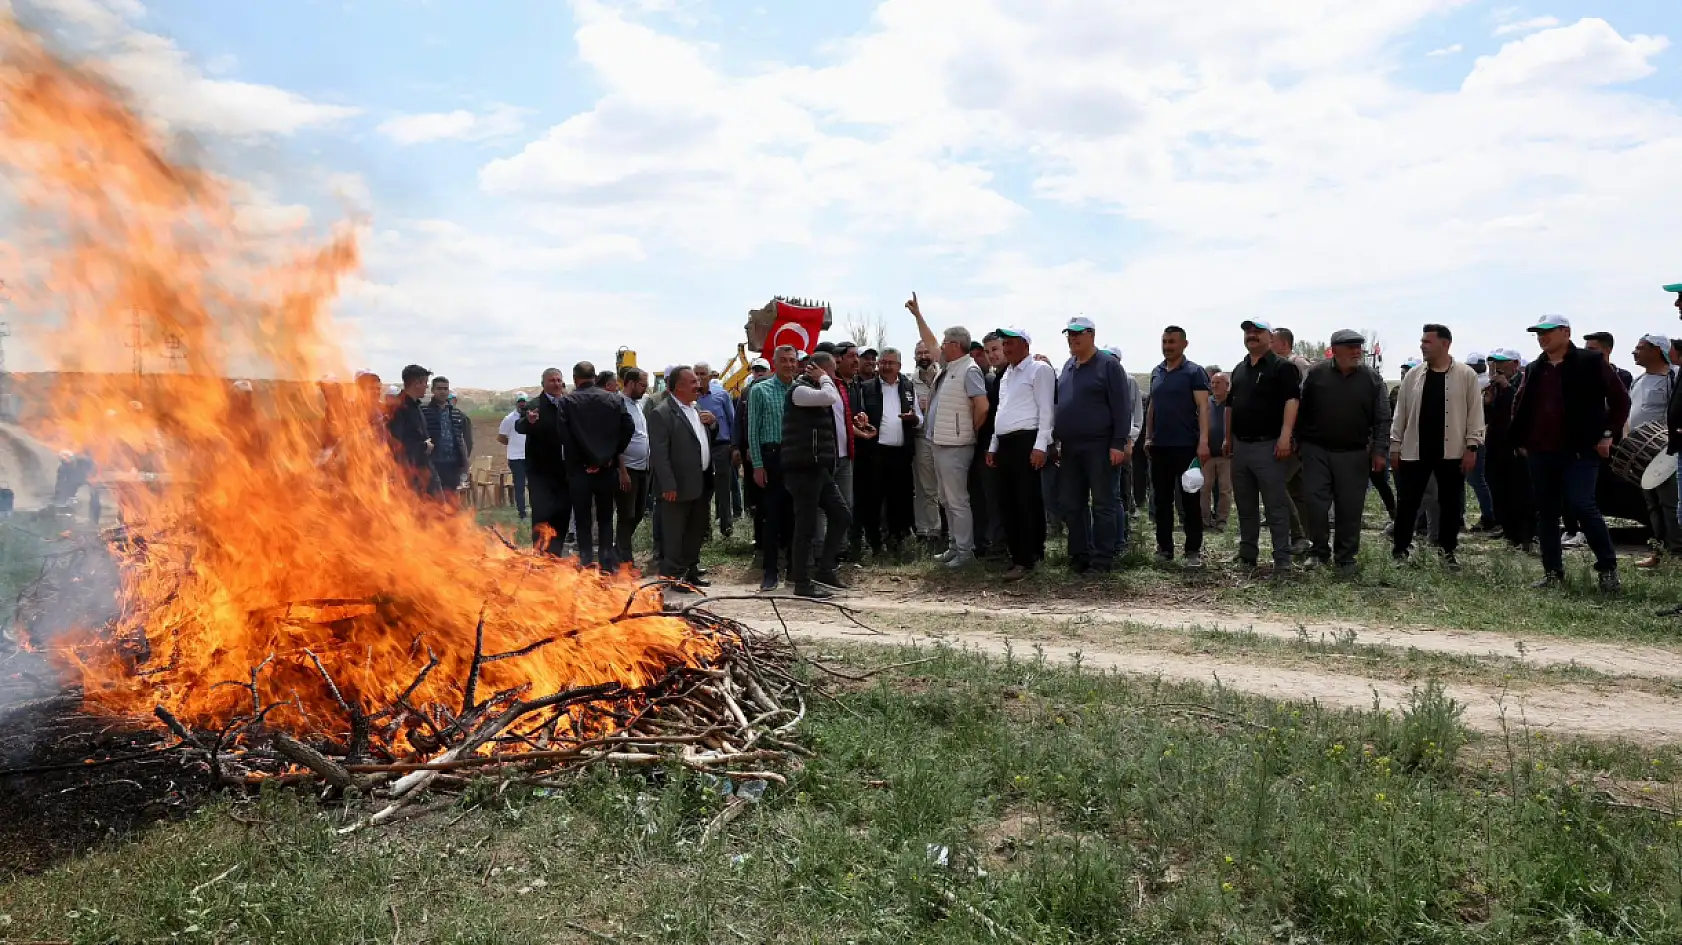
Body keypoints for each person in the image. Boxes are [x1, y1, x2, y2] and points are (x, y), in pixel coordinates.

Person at [1512, 316, 1630, 592]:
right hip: (1541, 451)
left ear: (1566, 332)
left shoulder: (1590, 362)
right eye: (1538, 333)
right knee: (1547, 512)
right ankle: (1553, 573)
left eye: (1548, 332)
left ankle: (1608, 570)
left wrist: (1607, 434)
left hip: (1579, 451)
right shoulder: (1535, 368)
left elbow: (1620, 399)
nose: (1542, 337)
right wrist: (1520, 438)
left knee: (1582, 506)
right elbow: (1521, 404)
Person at [1297, 330, 1392, 575]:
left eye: (1359, 347)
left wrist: (1380, 451)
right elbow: (1301, 409)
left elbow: (1382, 418)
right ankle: (1318, 552)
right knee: (1315, 504)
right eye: (1350, 347)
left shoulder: (1371, 378)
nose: (1357, 351)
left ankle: (1346, 558)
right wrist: (1299, 443)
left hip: (1354, 453)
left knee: (1350, 507)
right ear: (1335, 350)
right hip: (1316, 451)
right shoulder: (1316, 374)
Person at [1390, 324, 1483, 568]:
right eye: (1422, 341)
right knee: (1408, 502)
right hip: (1415, 450)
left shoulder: (1466, 375)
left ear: (1445, 344)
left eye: (1427, 342)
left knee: (1451, 505)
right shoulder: (1413, 376)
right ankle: (1400, 551)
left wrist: (1472, 446)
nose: (1422, 346)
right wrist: (1395, 445)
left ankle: (1447, 552)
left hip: (1452, 452)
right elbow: (1401, 413)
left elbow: (1475, 414)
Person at [907, 293, 989, 568]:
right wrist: (918, 316)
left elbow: (982, 406)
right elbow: (930, 342)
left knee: (957, 500)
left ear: (955, 345)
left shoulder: (969, 370)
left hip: (956, 445)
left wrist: (967, 431)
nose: (939, 346)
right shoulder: (950, 366)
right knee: (945, 498)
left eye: (944, 342)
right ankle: (954, 547)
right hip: (940, 443)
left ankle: (965, 552)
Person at [1055, 318, 1132, 574]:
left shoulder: (1108, 365)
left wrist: (1118, 443)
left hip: (1100, 446)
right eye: (1069, 334)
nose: (1073, 338)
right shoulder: (1068, 366)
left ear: (1092, 335)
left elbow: (1122, 407)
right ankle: (1080, 554)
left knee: (1103, 503)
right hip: (1070, 448)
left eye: (1078, 333)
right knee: (1072, 503)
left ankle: (1103, 558)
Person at [1224, 320, 1301, 575]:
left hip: (1269, 445)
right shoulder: (1239, 369)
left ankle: (1282, 559)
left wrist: (1285, 436)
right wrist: (1227, 438)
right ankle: (1248, 554)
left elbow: (1292, 401)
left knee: (1275, 506)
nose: (1252, 335)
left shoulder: (1282, 367)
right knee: (1245, 506)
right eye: (1248, 332)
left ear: (1270, 337)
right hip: (1241, 447)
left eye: (1257, 331)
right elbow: (1230, 406)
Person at [782, 351, 856, 599]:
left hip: (818, 468)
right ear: (818, 370)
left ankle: (825, 569)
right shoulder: (799, 391)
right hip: (802, 469)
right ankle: (802, 582)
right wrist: (824, 378)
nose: (833, 376)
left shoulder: (815, 390)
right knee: (806, 528)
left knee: (842, 516)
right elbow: (830, 397)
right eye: (831, 370)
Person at [985, 327, 1056, 580]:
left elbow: (1046, 409)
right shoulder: (1007, 374)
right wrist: (993, 445)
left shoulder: (1038, 369)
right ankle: (1019, 554)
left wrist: (1041, 445)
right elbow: (1001, 411)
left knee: (1026, 501)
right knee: (1008, 501)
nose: (1006, 348)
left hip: (1026, 440)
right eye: (1004, 344)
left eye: (1010, 343)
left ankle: (1027, 558)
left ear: (1025, 344)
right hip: (1005, 442)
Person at [1145, 325, 1212, 567]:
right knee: (1161, 501)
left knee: (1190, 500)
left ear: (1184, 344)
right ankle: (1164, 549)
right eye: (1164, 342)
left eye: (1172, 342)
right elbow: (1152, 406)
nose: (1167, 346)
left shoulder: (1194, 372)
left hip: (1186, 447)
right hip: (1160, 447)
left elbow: (1203, 408)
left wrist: (1203, 442)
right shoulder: (1157, 372)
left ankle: (1193, 551)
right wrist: (1148, 437)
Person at [561, 361, 635, 572]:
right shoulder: (613, 399)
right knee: (605, 517)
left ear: (575, 379)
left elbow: (565, 436)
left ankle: (586, 561)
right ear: (594, 377)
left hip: (580, 471)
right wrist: (609, 456)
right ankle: (606, 562)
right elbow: (628, 427)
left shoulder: (567, 402)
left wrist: (585, 462)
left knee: (582, 518)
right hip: (607, 469)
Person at [647, 365, 713, 589]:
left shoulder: (697, 407)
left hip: (700, 482)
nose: (698, 385)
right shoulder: (662, 413)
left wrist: (713, 423)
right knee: (675, 534)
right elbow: (659, 454)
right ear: (678, 387)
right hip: (676, 486)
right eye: (693, 382)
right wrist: (668, 484)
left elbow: (701, 439)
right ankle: (673, 576)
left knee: (695, 530)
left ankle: (690, 570)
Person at [852, 346, 921, 559]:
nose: (886, 366)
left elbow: (920, 417)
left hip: (901, 453)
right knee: (873, 499)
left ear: (899, 365)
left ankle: (897, 540)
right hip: (875, 453)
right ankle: (874, 542)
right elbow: (857, 415)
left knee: (899, 499)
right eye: (883, 362)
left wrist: (914, 419)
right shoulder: (866, 387)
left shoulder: (908, 386)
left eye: (891, 363)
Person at [749, 346, 798, 590]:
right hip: (772, 458)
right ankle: (770, 572)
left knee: (795, 516)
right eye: (784, 360)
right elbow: (752, 431)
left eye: (792, 360)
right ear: (775, 363)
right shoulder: (760, 390)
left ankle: (794, 571)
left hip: (797, 459)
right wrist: (758, 465)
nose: (789, 365)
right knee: (772, 517)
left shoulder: (801, 390)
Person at [1627, 334, 1678, 569]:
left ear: (1657, 350)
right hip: (1642, 454)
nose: (1634, 352)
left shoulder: (1672, 377)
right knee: (1652, 505)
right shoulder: (1638, 380)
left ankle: (1676, 554)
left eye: (1640, 348)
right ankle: (1658, 552)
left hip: (1666, 454)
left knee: (1670, 503)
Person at [516, 368, 574, 555]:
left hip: (564, 471)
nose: (556, 384)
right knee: (542, 514)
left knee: (562, 514)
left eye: (558, 380)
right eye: (552, 380)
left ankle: (556, 556)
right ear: (543, 384)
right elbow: (519, 426)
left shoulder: (568, 403)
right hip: (540, 473)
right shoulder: (534, 405)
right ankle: (540, 556)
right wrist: (529, 421)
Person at [1270, 328, 1314, 554]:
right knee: (1296, 490)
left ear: (1284, 344)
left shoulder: (1297, 364)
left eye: (1273, 340)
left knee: (1276, 483)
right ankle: (1306, 538)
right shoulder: (1278, 365)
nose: (1268, 344)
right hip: (1290, 436)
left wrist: (1294, 435)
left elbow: (1303, 401)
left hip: (1294, 438)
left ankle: (1298, 535)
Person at [1483, 349, 1532, 551]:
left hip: (1516, 448)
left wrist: (1506, 388)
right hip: (1496, 446)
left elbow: (1522, 410)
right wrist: (1487, 404)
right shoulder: (1494, 386)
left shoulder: (1524, 382)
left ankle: (1525, 536)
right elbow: (1491, 418)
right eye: (1495, 363)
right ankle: (1509, 532)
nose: (1498, 367)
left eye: (1502, 362)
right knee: (1498, 489)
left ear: (1515, 364)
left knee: (1519, 493)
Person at [694, 364, 737, 539]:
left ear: (710, 376)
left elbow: (732, 421)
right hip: (701, 448)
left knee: (723, 490)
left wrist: (734, 447)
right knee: (703, 491)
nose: (699, 377)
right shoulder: (691, 398)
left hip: (721, 447)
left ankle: (727, 529)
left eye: (702, 374)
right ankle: (705, 532)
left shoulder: (722, 395)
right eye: (696, 373)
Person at [616, 369, 651, 568]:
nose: (645, 389)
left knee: (638, 513)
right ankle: (625, 560)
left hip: (643, 468)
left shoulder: (638, 404)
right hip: (627, 469)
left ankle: (619, 550)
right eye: (642, 385)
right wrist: (622, 471)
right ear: (630, 383)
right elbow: (615, 441)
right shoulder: (618, 404)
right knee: (627, 514)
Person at [910, 339, 944, 551]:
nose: (923, 356)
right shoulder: (910, 382)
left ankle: (946, 530)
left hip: (946, 439)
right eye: (919, 353)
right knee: (924, 487)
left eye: (926, 352)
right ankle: (928, 531)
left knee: (946, 489)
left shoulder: (944, 376)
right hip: (922, 437)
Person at [422, 375, 473, 506]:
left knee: (451, 501)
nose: (443, 392)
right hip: (432, 464)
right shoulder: (424, 411)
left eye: (445, 389)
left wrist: (464, 461)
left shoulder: (456, 414)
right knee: (433, 500)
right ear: (433, 390)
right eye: (439, 388)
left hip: (452, 464)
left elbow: (464, 440)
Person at [387, 364, 436, 495]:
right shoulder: (398, 408)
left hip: (422, 470)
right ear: (416, 383)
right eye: (425, 383)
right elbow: (396, 442)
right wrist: (424, 446)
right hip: (408, 474)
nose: (427, 386)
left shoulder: (416, 407)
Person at [1202, 371, 1233, 531]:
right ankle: (1204, 519)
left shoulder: (1232, 403)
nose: (1214, 386)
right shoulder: (1206, 403)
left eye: (1218, 383)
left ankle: (1221, 520)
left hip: (1226, 455)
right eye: (1212, 382)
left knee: (1224, 489)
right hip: (1207, 454)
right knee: (1204, 488)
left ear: (1227, 385)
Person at [497, 393, 530, 520]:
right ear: (516, 403)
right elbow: (501, 437)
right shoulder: (509, 419)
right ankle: (522, 513)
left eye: (524, 401)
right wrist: (512, 444)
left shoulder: (532, 416)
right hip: (516, 458)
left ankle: (536, 510)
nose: (522, 404)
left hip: (530, 456)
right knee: (519, 486)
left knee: (533, 485)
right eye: (519, 401)